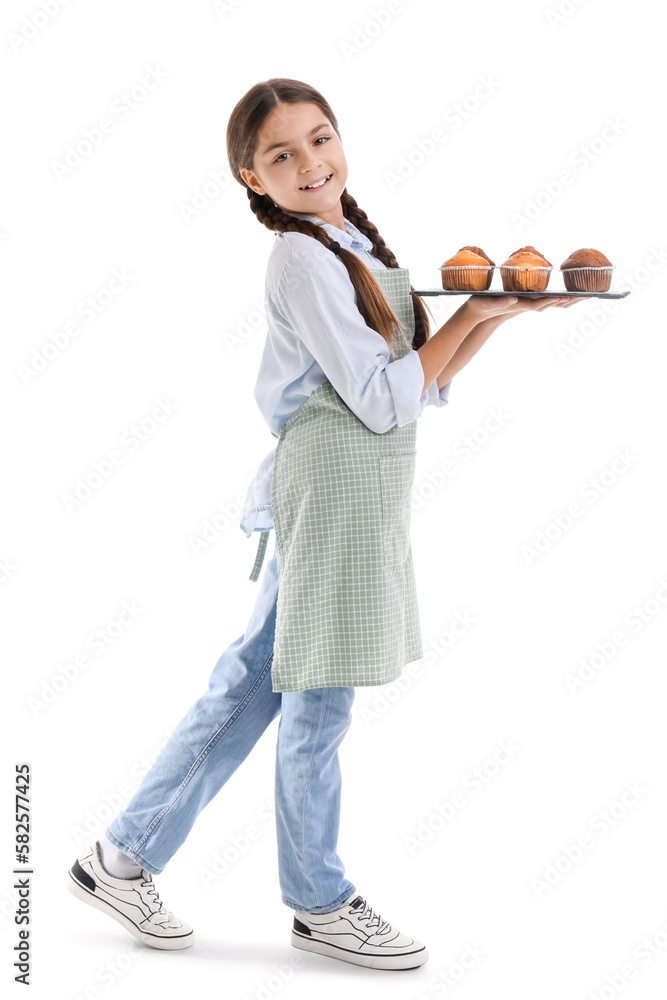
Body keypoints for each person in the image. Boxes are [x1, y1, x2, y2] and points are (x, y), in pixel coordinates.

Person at [65, 77, 584, 971]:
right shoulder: (303, 259)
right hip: (335, 480)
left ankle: (121, 856)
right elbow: (384, 402)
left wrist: (490, 315)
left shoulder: (344, 239)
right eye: (281, 154)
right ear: (250, 178)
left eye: (319, 138)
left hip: (353, 483)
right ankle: (318, 900)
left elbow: (416, 381)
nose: (309, 162)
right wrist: (467, 314)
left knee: (262, 674)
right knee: (318, 694)